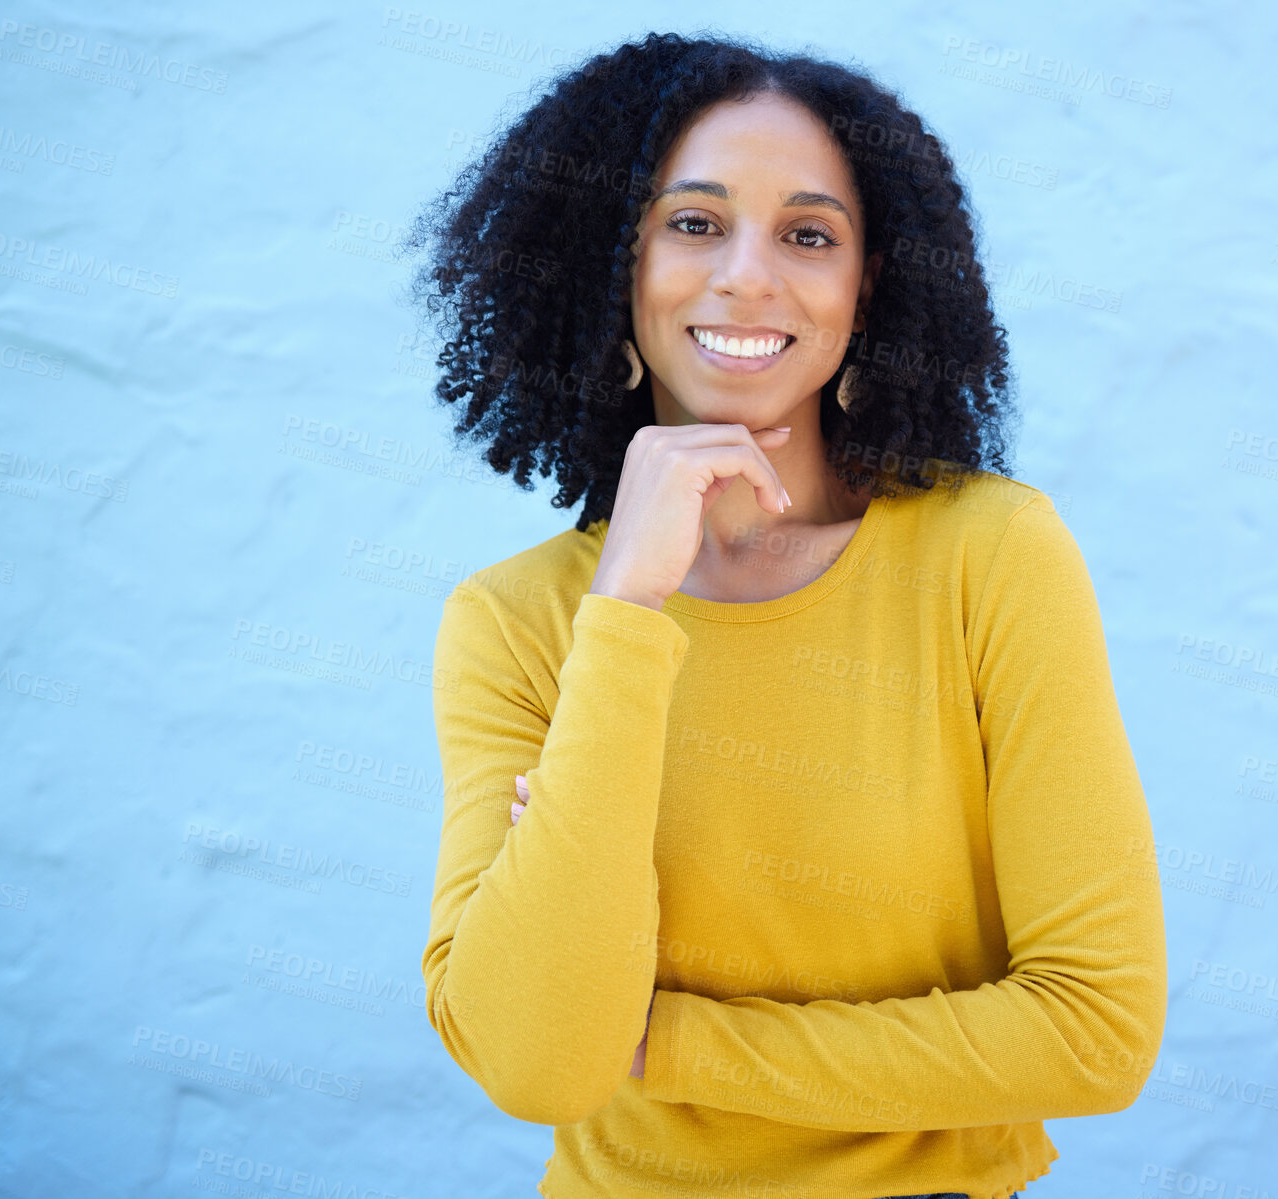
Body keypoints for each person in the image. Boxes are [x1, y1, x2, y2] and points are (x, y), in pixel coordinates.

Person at [407, 31, 1166, 1199]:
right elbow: (537, 1062)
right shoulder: (519, 623)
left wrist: (665, 1042)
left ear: (869, 290)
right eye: (693, 223)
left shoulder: (990, 557)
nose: (748, 276)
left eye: (808, 234)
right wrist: (624, 606)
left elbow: (1093, 1029)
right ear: (611, 263)